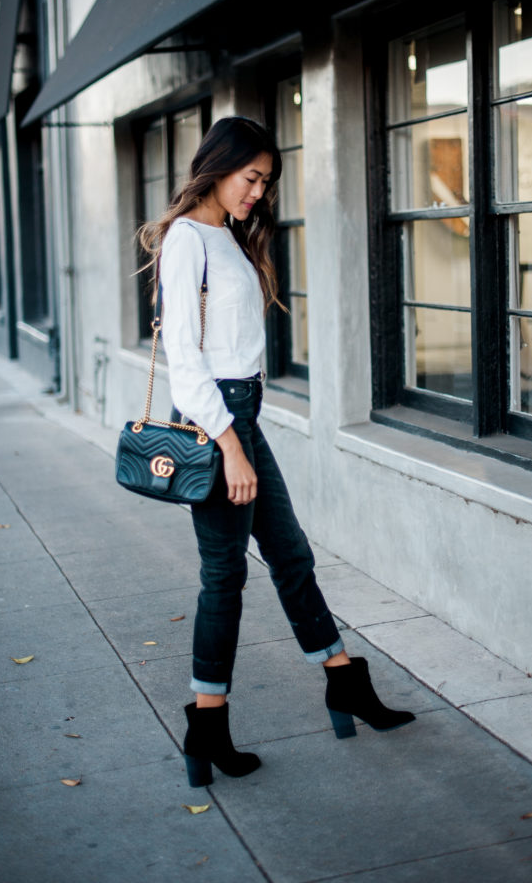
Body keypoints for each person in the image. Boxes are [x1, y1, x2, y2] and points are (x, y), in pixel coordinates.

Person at [139, 116, 414, 787]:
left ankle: (342, 678)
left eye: (265, 182)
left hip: (239, 416)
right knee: (224, 575)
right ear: (218, 165)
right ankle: (206, 723)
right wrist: (230, 446)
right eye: (251, 177)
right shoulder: (185, 241)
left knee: (289, 555)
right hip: (217, 423)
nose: (257, 192)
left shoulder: (226, 236)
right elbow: (186, 361)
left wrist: (240, 431)